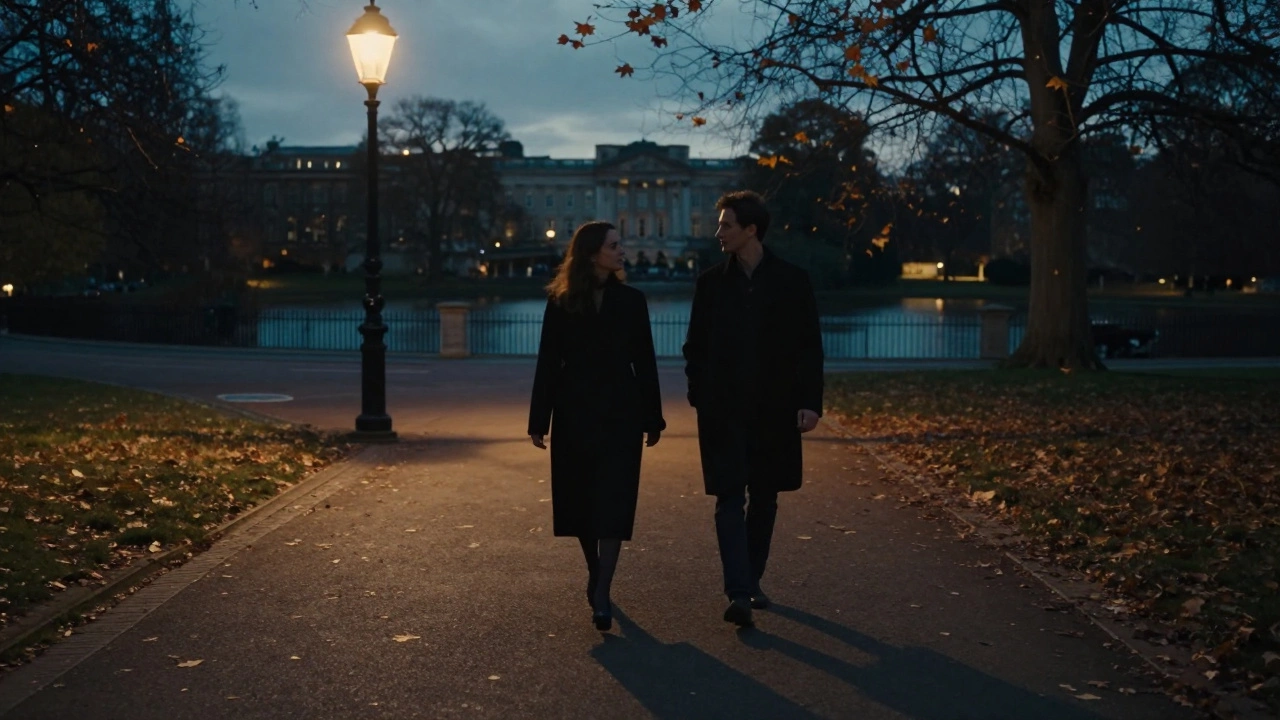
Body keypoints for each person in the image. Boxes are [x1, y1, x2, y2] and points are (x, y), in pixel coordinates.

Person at [683, 190, 824, 627]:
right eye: (720, 224)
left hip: (775, 408)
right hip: (723, 409)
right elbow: (695, 348)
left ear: (751, 230)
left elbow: (809, 349)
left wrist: (810, 403)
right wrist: (699, 394)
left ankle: (752, 579)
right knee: (728, 498)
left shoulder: (792, 280)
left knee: (765, 497)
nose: (718, 232)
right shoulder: (710, 282)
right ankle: (738, 591)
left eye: (726, 225)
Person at [528, 221, 665, 631]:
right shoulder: (561, 302)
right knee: (581, 502)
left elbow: (645, 362)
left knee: (614, 500)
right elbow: (548, 363)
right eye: (614, 245)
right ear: (592, 254)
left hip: (622, 411)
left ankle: (602, 592)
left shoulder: (633, 301)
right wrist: (539, 420)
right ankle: (596, 570)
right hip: (575, 411)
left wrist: (653, 416)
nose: (622, 251)